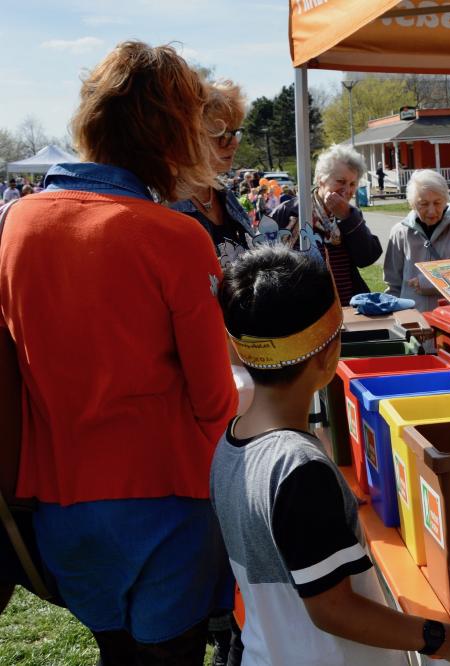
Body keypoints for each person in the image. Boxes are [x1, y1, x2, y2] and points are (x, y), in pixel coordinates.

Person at [0, 41, 236, 665]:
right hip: (166, 503)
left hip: (58, 504)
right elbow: (214, 400)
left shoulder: (16, 223)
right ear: (172, 131)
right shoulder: (174, 236)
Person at [213, 245, 450, 666]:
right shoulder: (299, 470)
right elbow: (333, 609)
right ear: (328, 353)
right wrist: (446, 639)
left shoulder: (230, 444)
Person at [270, 144, 383, 301]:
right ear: (320, 180)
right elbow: (263, 259)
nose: (346, 190)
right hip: (300, 308)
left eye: (352, 184)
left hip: (345, 305)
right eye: (340, 181)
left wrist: (347, 218)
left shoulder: (351, 215)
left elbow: (366, 258)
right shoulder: (289, 212)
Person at [171, 79, 255, 270]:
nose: (234, 143)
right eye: (223, 135)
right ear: (190, 139)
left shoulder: (224, 196)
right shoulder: (165, 202)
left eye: (236, 133)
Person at [383, 170, 450, 312]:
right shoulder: (400, 232)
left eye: (437, 203)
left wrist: (428, 283)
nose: (431, 211)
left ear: (446, 200)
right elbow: (393, 284)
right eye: (423, 204)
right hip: (413, 321)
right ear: (412, 204)